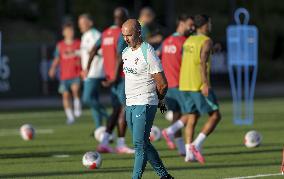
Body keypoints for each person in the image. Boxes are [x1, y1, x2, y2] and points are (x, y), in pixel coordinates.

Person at [164, 14, 222, 164]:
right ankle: (196, 145)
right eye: (209, 23)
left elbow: (195, 56)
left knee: (192, 116)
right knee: (215, 115)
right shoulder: (206, 40)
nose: (210, 26)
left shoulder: (188, 41)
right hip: (197, 84)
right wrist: (205, 83)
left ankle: (189, 154)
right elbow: (202, 62)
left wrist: (213, 49)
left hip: (184, 84)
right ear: (205, 25)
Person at [121, 19, 174, 179]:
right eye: (123, 35)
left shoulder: (148, 52)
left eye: (129, 35)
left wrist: (159, 100)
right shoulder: (125, 52)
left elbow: (163, 84)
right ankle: (165, 176)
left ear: (139, 32)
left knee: (139, 146)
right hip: (130, 103)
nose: (126, 39)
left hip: (145, 102)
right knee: (143, 143)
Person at [87, 7, 134, 154]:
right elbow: (120, 57)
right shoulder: (121, 33)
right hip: (120, 77)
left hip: (110, 77)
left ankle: (105, 142)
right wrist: (114, 77)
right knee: (126, 109)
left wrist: (86, 69)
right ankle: (121, 144)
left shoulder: (105, 33)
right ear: (124, 18)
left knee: (116, 110)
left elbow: (93, 50)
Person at [160, 14, 195, 156]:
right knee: (193, 113)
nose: (192, 27)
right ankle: (172, 134)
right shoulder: (185, 42)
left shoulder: (166, 41)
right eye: (190, 24)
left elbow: (157, 56)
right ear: (181, 23)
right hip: (181, 84)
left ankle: (181, 149)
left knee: (176, 114)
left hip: (168, 85)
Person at [78, 13, 108, 129]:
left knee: (87, 98)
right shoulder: (85, 36)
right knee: (93, 100)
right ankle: (99, 128)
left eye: (83, 23)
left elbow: (102, 51)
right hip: (88, 72)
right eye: (79, 24)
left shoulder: (95, 35)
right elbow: (86, 54)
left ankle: (109, 117)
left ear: (90, 23)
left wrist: (95, 52)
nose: (80, 26)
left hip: (95, 71)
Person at [49, 22, 82, 125]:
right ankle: (70, 117)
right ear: (64, 33)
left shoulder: (78, 43)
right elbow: (57, 59)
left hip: (76, 73)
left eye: (71, 30)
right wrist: (53, 68)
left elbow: (83, 56)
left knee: (75, 89)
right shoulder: (60, 45)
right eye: (67, 31)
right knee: (65, 95)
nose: (70, 32)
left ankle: (77, 106)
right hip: (64, 75)